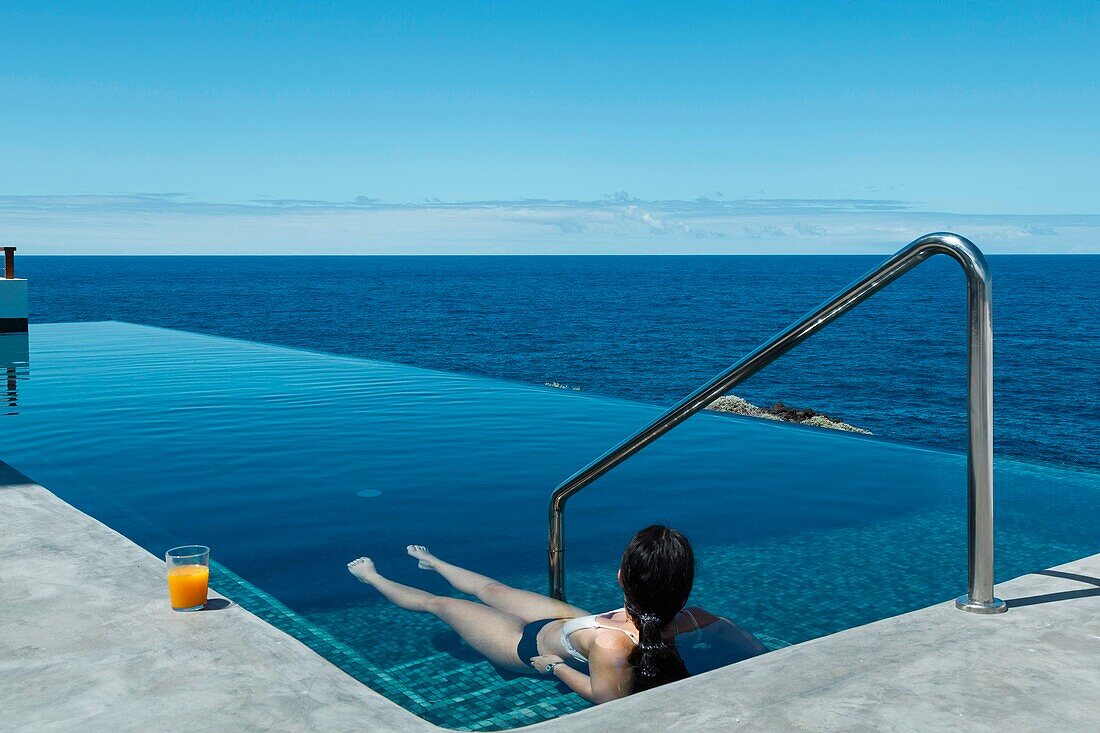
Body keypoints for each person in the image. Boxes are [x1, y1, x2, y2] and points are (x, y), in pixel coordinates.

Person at [347, 524, 766, 703]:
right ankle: (434, 563)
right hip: (572, 624)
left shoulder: (612, 643)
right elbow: (748, 646)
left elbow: (606, 698)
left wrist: (552, 669)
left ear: (622, 577)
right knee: (494, 589)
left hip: (524, 647)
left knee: (441, 605)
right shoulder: (697, 618)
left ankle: (374, 579)